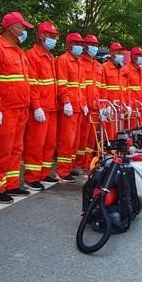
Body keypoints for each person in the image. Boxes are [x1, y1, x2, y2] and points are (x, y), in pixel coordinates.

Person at [0, 12, 34, 203]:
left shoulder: (19, 52)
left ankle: (11, 184)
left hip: (21, 107)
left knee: (15, 148)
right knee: (0, 149)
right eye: (22, 27)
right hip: (5, 109)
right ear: (12, 27)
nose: (24, 31)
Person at [22, 22, 61, 191]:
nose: (54, 40)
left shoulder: (50, 57)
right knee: (35, 144)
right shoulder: (32, 56)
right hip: (40, 108)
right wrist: (36, 106)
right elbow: (32, 84)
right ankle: (31, 178)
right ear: (41, 36)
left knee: (49, 143)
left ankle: (44, 174)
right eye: (51, 36)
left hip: (51, 107)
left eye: (55, 37)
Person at [55, 33, 87, 182]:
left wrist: (84, 104)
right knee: (66, 141)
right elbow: (62, 84)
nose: (80, 46)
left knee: (75, 141)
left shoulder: (79, 62)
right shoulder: (63, 60)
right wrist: (66, 102)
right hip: (69, 107)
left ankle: (69, 167)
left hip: (78, 107)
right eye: (77, 43)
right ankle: (62, 171)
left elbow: (82, 87)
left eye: (81, 44)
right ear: (69, 45)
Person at [76, 34, 104, 172]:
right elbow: (78, 85)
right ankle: (77, 164)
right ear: (85, 47)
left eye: (96, 45)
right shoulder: (79, 61)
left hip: (94, 108)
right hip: (83, 107)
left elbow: (102, 88)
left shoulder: (98, 66)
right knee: (80, 138)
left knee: (90, 140)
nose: (95, 48)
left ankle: (87, 163)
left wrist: (102, 106)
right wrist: (83, 102)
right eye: (92, 45)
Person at [100, 42, 129, 138]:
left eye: (121, 52)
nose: (120, 54)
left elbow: (125, 89)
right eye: (118, 52)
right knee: (110, 135)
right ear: (111, 53)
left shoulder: (123, 69)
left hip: (120, 109)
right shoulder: (104, 67)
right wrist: (105, 106)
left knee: (121, 135)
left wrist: (127, 105)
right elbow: (102, 87)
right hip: (110, 108)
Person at [121, 47, 142, 128]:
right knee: (130, 130)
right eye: (139, 55)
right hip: (132, 107)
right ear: (133, 56)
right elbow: (123, 89)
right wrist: (127, 105)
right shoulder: (125, 70)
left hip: (141, 106)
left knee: (141, 131)